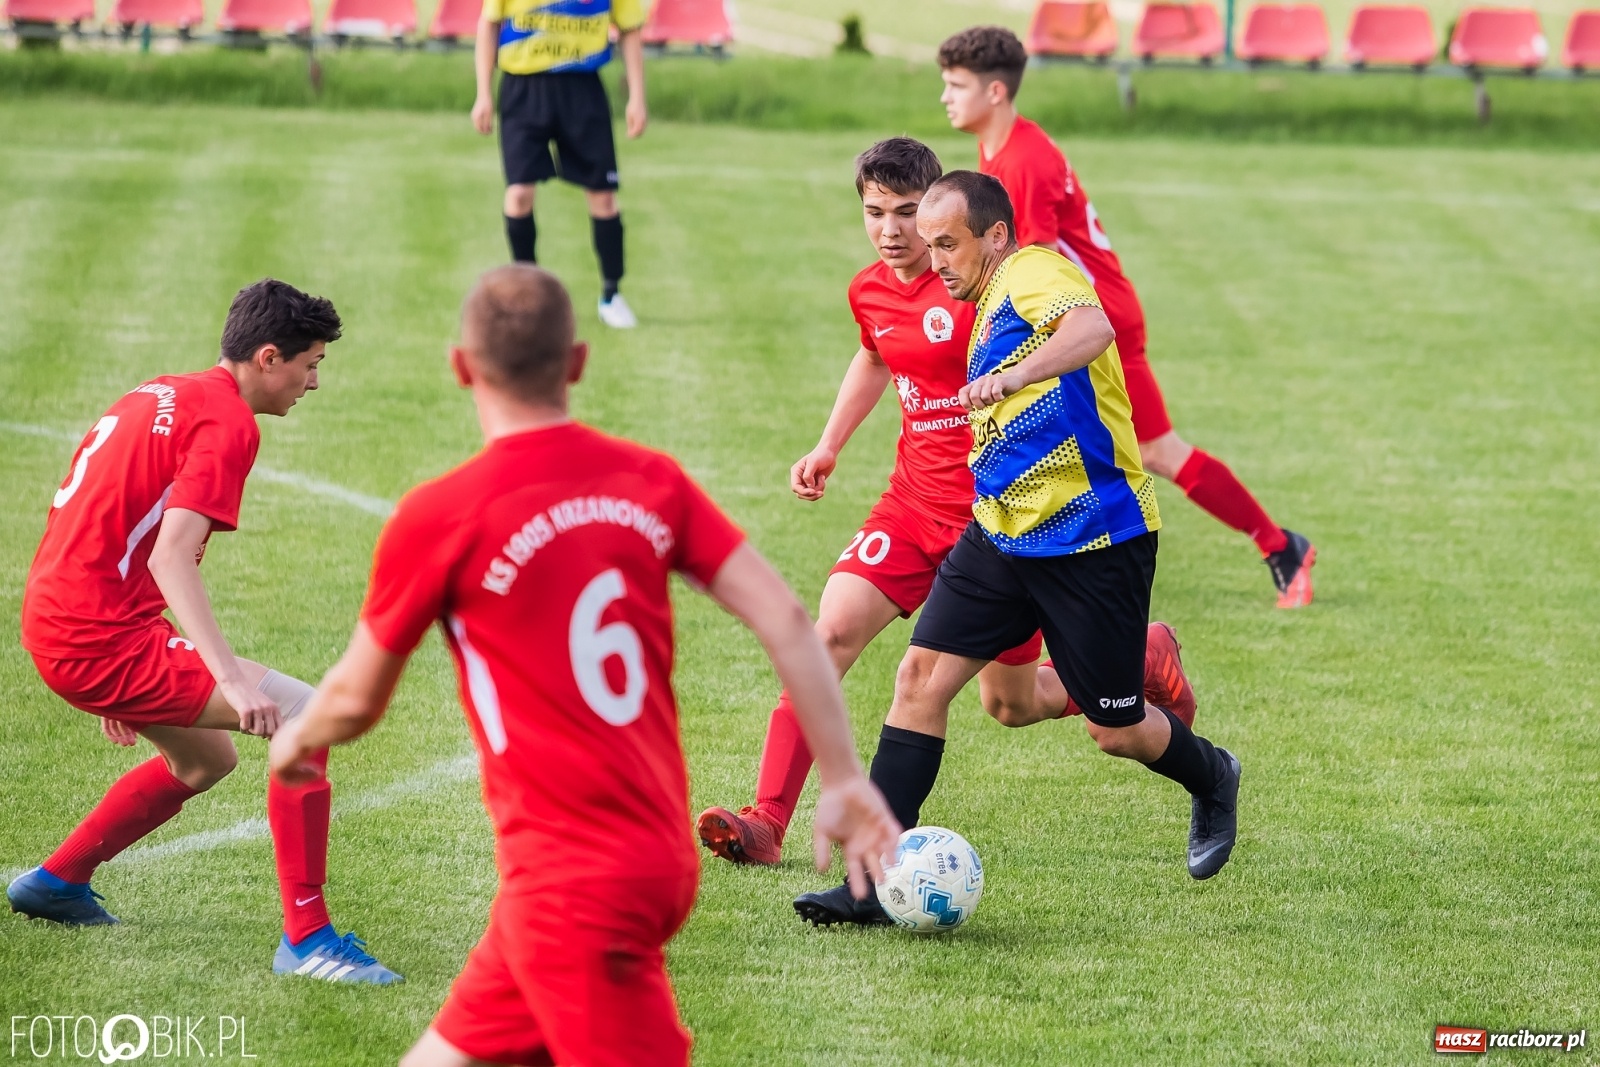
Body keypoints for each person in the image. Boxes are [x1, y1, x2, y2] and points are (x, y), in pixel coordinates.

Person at [267, 265, 899, 1067]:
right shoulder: (648, 480)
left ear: (461, 367)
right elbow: (786, 620)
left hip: (574, 882)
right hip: (627, 859)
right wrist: (841, 775)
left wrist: (295, 740)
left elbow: (355, 701)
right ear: (576, 362)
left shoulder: (442, 514)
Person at [695, 138, 1197, 868]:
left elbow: (1074, 332)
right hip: (911, 506)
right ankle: (766, 818)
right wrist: (829, 443)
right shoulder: (869, 290)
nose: (892, 231)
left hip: (998, 526)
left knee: (1011, 704)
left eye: (907, 213)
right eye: (875, 212)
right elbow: (876, 351)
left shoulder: (981, 290)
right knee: (828, 636)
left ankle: (1141, 659)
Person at [794, 173, 1241, 928]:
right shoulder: (977, 296)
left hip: (1093, 539)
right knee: (919, 680)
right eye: (929, 243)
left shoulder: (1033, 271)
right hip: (1000, 532)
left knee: (1116, 728)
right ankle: (868, 885)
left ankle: (1213, 773)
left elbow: (1092, 329)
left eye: (947, 243)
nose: (933, 260)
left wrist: (1017, 376)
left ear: (995, 236)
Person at [7, 280, 401, 984]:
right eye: (310, 365)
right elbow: (169, 556)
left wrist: (109, 647)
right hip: (96, 634)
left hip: (62, 617)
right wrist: (226, 679)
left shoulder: (157, 391)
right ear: (268, 357)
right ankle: (309, 939)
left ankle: (56, 882)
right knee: (304, 715)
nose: (314, 383)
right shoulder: (228, 423)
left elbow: (94, 516)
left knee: (205, 760)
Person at [937, 26, 1315, 609]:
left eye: (956, 85)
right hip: (1085, 318)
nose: (945, 97)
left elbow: (1030, 272)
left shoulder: (1023, 163)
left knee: (1157, 450)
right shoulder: (1005, 148)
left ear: (994, 91)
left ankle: (1281, 546)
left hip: (1092, 324)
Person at [472, 0, 647, 329]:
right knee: (519, 193)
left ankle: (612, 295)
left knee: (603, 196)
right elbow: (489, 24)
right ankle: (527, 297)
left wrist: (637, 97)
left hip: (582, 89)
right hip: (522, 89)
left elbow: (630, 30)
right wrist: (483, 93)